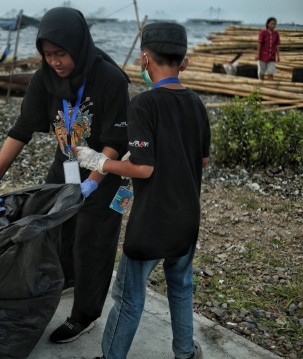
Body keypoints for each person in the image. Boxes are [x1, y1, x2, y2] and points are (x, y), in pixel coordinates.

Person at [0, 7, 131, 344]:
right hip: (65, 166)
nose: (54, 61)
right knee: (58, 230)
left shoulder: (110, 80)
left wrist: (91, 184)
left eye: (60, 53)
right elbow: (22, 129)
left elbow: (115, 142)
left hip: (106, 173)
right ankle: (70, 277)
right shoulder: (44, 79)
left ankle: (85, 315)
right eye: (47, 54)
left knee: (92, 242)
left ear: (78, 46)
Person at [76, 22, 210, 359]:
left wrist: (100, 162)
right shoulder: (196, 103)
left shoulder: (144, 105)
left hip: (153, 221)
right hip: (187, 216)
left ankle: (112, 356)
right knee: (180, 288)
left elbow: (144, 169)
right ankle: (185, 352)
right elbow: (202, 159)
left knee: (128, 297)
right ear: (184, 62)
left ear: (145, 58)